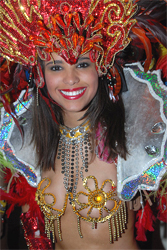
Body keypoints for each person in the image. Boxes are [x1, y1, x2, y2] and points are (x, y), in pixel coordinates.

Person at [0, 0, 167, 249]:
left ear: (100, 68)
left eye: (82, 64)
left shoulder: (137, 132)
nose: (70, 79)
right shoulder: (25, 140)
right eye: (56, 67)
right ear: (40, 74)